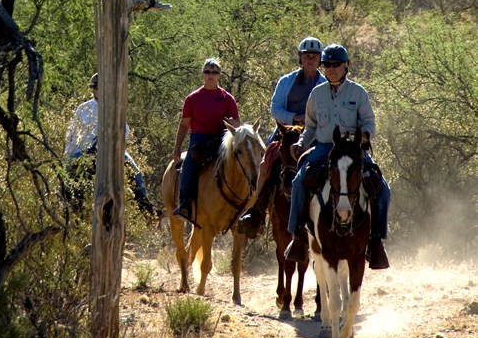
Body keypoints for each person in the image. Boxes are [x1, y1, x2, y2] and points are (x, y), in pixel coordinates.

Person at [284, 43, 391, 270]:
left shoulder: (358, 92)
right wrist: (302, 143)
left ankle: (376, 240)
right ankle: (298, 238)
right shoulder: (317, 94)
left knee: (382, 187)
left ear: (346, 66)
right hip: (324, 147)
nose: (331, 69)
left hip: (352, 149)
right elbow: (310, 126)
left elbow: (369, 121)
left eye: (336, 64)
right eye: (328, 65)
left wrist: (366, 134)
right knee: (298, 183)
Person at [238, 36, 325, 238]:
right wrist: (294, 117)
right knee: (266, 162)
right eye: (306, 56)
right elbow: (275, 108)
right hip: (285, 133)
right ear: (300, 58)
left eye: (314, 56)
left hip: (314, 134)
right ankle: (258, 211)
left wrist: (311, 122)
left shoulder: (325, 84)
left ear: (320, 59)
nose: (310, 59)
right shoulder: (286, 81)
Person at [65, 73, 158, 217]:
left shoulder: (115, 108)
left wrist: (116, 144)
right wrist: (69, 156)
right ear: (93, 90)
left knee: (136, 172)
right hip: (86, 150)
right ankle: (65, 205)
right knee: (67, 175)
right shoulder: (83, 109)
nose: (100, 90)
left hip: (112, 149)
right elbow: (71, 133)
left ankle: (146, 208)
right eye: (97, 87)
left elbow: (125, 132)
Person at [171, 57, 240, 224]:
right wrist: (177, 147)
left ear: (219, 75)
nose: (211, 75)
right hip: (199, 139)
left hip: (222, 138)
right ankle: (185, 202)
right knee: (190, 163)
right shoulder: (193, 98)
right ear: (202, 74)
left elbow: (237, 123)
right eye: (208, 72)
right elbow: (185, 124)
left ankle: (247, 204)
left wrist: (234, 124)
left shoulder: (227, 98)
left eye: (214, 72)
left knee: (242, 161)